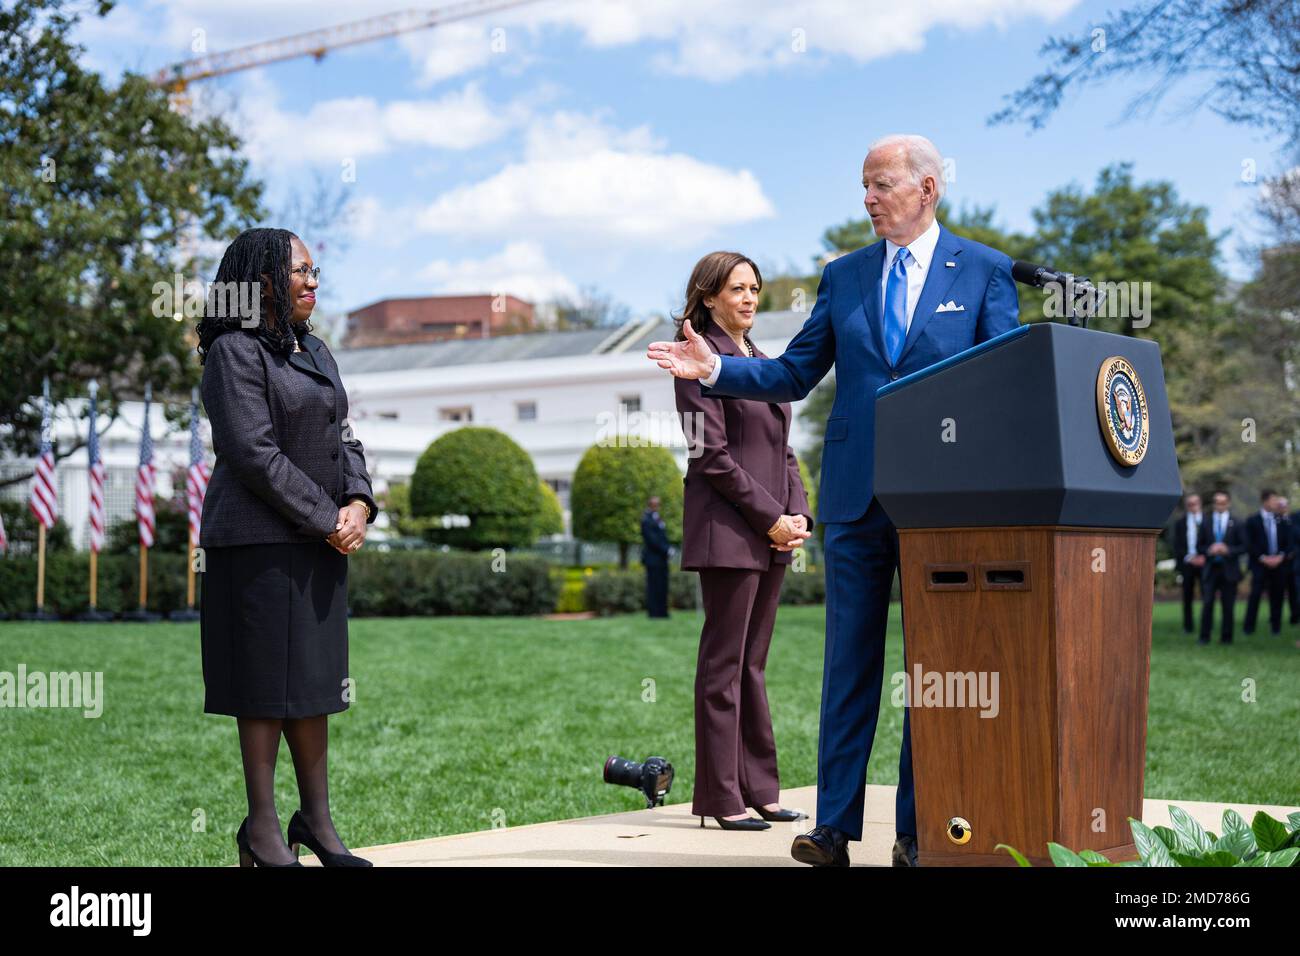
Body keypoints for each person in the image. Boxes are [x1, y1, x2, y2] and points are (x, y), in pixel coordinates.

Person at [648, 134, 1021, 866]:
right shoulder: (844, 276)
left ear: (927, 189)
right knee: (846, 667)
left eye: (882, 184)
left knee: (931, 675)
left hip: (942, 505)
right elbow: (791, 373)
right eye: (864, 185)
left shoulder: (984, 271)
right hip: (855, 501)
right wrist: (717, 367)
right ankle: (835, 828)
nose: (869, 198)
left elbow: (1001, 381)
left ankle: (915, 831)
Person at [196, 228, 378, 867]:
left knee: (313, 686)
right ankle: (264, 830)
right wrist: (327, 516)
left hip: (321, 543)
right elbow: (252, 454)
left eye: (315, 269)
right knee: (264, 688)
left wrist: (358, 504)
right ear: (264, 280)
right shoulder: (234, 352)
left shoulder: (317, 351)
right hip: (257, 546)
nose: (313, 281)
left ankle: (318, 824)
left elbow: (344, 438)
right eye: (300, 270)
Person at [672, 251, 814, 832]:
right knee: (723, 667)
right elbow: (710, 456)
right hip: (729, 532)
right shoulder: (696, 358)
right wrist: (768, 517)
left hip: (773, 532)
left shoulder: (759, 360)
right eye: (737, 289)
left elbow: (783, 449)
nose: (750, 298)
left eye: (755, 288)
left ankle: (762, 789)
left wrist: (799, 512)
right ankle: (721, 799)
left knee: (753, 665)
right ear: (708, 297)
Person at [1197, 490, 1245, 645]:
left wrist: (1228, 550)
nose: (1220, 505)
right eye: (1217, 502)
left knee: (1228, 605)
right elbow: (1199, 546)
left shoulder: (1237, 523)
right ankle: (1204, 637)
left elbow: (1244, 546)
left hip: (1229, 570)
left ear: (1228, 503)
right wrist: (1209, 550)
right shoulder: (1206, 522)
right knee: (1207, 603)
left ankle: (1226, 638)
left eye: (1223, 502)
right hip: (1211, 569)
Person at [1243, 489, 1289, 637]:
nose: (1276, 503)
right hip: (1259, 565)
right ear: (1265, 501)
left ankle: (1275, 627)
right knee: (1255, 596)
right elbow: (1249, 543)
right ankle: (1249, 627)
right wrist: (1263, 558)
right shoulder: (1252, 520)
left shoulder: (1281, 520)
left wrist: (1280, 557)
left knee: (1277, 596)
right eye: (1274, 500)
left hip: (1278, 565)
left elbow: (1289, 542)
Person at [1168, 492, 1204, 635]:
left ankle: (1206, 624)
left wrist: (1203, 557)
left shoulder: (1207, 521)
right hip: (1187, 564)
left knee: (1207, 596)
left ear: (1199, 504)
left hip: (1204, 563)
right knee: (1187, 596)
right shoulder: (1180, 523)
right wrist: (1189, 558)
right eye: (1189, 504)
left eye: (1194, 503)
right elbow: (1177, 545)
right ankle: (1188, 626)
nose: (1192, 506)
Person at [641, 496, 670, 618]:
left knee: (662, 585)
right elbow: (652, 540)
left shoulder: (657, 518)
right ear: (650, 505)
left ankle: (662, 611)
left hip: (661, 559)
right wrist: (667, 549)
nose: (657, 506)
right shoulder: (646, 520)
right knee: (653, 586)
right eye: (655, 504)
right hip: (653, 560)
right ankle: (654, 612)